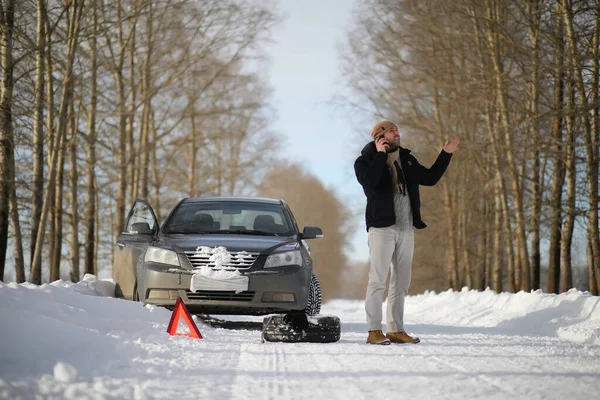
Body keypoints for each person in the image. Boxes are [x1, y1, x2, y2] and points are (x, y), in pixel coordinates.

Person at [354, 120, 459, 345]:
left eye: (397, 130)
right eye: (392, 131)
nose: (397, 133)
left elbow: (429, 178)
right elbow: (371, 183)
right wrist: (381, 155)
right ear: (380, 136)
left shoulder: (407, 159)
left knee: (401, 282)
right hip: (381, 228)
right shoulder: (365, 161)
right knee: (378, 280)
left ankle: (395, 329)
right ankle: (374, 331)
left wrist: (445, 154)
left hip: (406, 227)